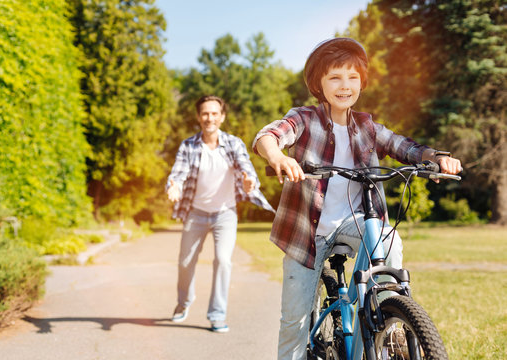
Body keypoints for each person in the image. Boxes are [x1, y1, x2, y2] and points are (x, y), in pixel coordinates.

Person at [252, 38, 462, 359]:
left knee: (389, 242)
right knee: (294, 321)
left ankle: (389, 324)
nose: (344, 85)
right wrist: (277, 158)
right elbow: (270, 135)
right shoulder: (305, 118)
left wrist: (436, 158)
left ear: (361, 83)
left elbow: (404, 146)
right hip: (308, 234)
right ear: (319, 85)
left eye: (352, 77)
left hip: (355, 221)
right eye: (335, 77)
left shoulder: (367, 126)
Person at [166, 95, 274, 333]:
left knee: (223, 261)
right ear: (198, 117)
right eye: (205, 113)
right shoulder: (188, 145)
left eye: (214, 113)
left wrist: (249, 182)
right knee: (185, 262)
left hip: (225, 214)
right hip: (196, 213)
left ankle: (217, 314)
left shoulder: (233, 143)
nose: (209, 118)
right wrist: (174, 185)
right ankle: (183, 303)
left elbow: (246, 168)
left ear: (222, 117)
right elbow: (179, 173)